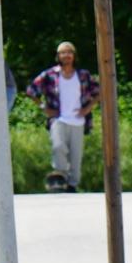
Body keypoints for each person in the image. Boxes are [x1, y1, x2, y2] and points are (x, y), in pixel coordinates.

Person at [26, 41, 99, 192]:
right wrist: (43, 107)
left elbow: (99, 91)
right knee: (58, 146)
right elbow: (31, 90)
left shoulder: (83, 75)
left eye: (69, 52)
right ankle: (60, 176)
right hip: (58, 118)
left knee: (76, 156)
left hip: (78, 120)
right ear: (58, 56)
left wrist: (88, 108)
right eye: (63, 52)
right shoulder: (50, 74)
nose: (66, 55)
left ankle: (72, 184)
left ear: (74, 55)